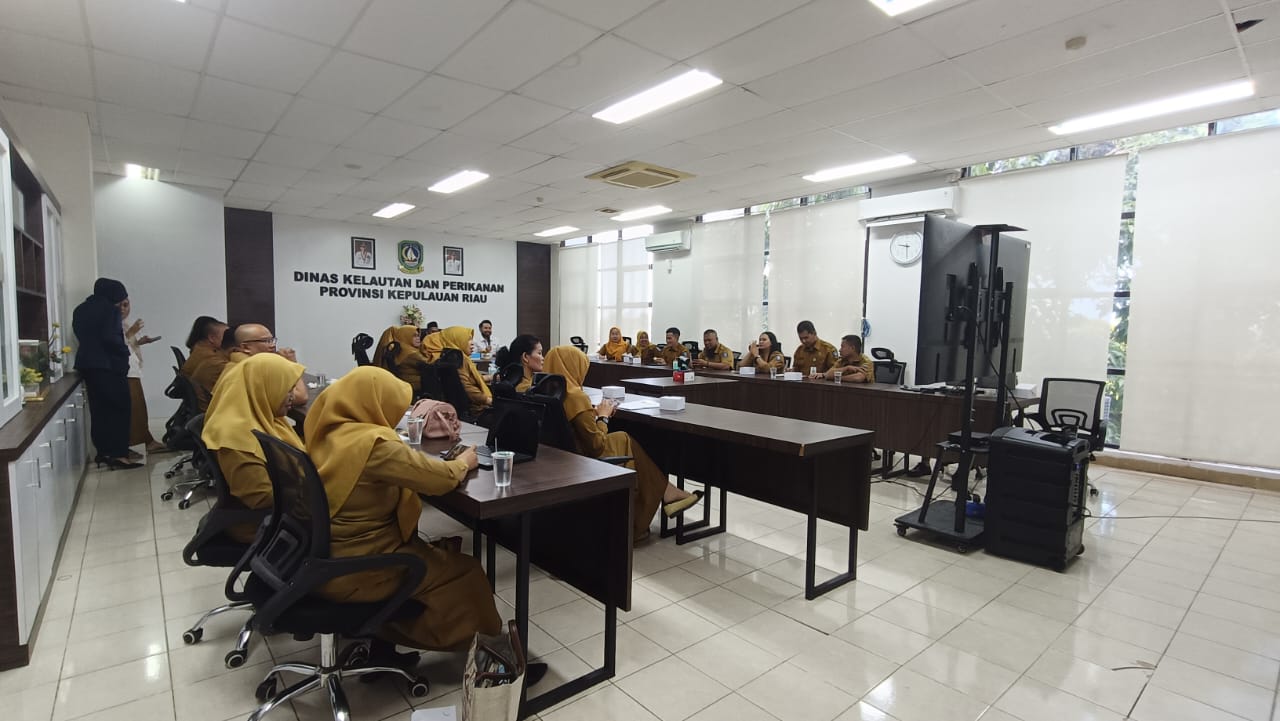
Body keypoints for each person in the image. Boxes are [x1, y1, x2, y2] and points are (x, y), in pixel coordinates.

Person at [305, 366, 501, 653]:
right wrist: (463, 463)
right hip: (361, 567)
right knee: (466, 571)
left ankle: (383, 644)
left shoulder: (328, 430)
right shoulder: (373, 444)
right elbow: (436, 479)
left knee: (437, 551)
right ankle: (491, 656)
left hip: (328, 555)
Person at [542, 346, 702, 542]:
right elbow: (596, 446)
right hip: (583, 462)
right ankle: (645, 514)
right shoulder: (575, 397)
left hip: (560, 460)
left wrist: (592, 414)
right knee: (625, 440)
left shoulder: (545, 390)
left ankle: (668, 492)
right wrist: (603, 417)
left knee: (624, 439)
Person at [202, 353, 308, 543]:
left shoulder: (265, 416)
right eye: (287, 389)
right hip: (265, 525)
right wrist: (316, 492)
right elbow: (261, 497)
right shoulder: (234, 436)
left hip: (285, 511)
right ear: (264, 387)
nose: (293, 395)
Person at [72, 278, 142, 470]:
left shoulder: (80, 310)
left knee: (99, 411)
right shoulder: (110, 310)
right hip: (109, 367)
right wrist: (124, 352)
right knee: (120, 409)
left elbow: (80, 334)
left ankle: (103, 452)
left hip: (88, 366)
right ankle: (119, 455)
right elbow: (111, 338)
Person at [119, 298, 167, 456]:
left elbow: (128, 344)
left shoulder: (123, 323)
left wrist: (140, 341)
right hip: (125, 372)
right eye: (119, 305)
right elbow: (118, 345)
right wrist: (131, 333)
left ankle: (147, 441)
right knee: (135, 410)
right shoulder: (111, 324)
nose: (123, 309)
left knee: (140, 408)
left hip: (133, 370)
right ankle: (139, 444)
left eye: (126, 305)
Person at [423, 326, 492, 416]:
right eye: (468, 339)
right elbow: (466, 387)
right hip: (475, 409)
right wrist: (488, 400)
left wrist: (488, 378)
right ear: (457, 340)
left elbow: (470, 379)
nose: (472, 343)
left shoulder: (450, 357)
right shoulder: (459, 359)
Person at [182, 315, 230, 409]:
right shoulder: (209, 358)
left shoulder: (200, 348)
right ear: (211, 338)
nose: (229, 340)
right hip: (210, 409)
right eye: (226, 336)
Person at [372, 325, 429, 393]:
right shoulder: (411, 353)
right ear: (406, 337)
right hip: (414, 385)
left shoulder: (400, 348)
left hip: (404, 382)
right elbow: (429, 363)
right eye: (414, 336)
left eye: (418, 336)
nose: (418, 338)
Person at [232, 323, 298, 363]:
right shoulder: (253, 365)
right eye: (265, 341)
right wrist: (291, 364)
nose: (273, 345)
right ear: (245, 347)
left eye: (271, 340)